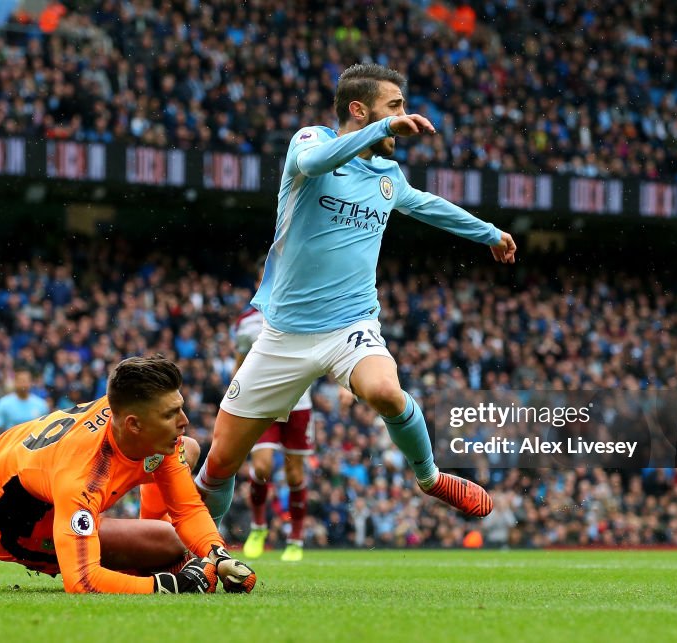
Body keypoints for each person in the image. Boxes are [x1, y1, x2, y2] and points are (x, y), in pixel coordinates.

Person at [194, 63, 517, 524]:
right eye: (394, 106)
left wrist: (489, 233)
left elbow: (429, 206)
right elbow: (312, 164)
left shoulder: (388, 174)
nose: (403, 117)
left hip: (352, 325)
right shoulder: (311, 142)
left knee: (386, 391)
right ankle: (201, 548)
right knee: (220, 466)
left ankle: (429, 477)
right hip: (284, 335)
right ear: (359, 110)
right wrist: (384, 127)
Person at [0, 354, 256, 594]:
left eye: (180, 409)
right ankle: (152, 558)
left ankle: (151, 546)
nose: (184, 421)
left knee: (188, 449)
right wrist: (170, 584)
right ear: (134, 425)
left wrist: (217, 554)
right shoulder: (83, 477)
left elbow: (187, 510)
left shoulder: (131, 413)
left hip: (17, 460)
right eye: (171, 415)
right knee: (172, 542)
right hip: (12, 525)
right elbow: (82, 580)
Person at [236, 260, 314, 562]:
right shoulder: (247, 322)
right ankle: (258, 526)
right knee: (263, 467)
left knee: (295, 475)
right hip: (262, 403)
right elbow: (240, 363)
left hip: (299, 403)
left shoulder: (305, 312)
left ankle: (296, 539)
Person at [0, 370, 49, 437]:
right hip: (11, 444)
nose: (23, 384)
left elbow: (46, 429)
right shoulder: (3, 403)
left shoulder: (41, 405)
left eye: (25, 381)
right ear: (15, 382)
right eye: (20, 380)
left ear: (31, 382)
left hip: (33, 446)